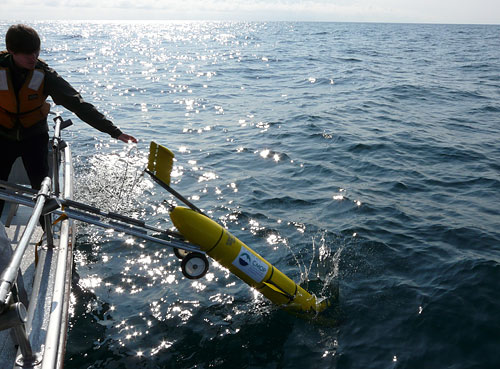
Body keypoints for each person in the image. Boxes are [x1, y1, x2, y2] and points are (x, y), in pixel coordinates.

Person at [0, 24, 137, 213]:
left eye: (36, 52)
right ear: (12, 51)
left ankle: (47, 235)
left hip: (33, 137)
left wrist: (115, 132)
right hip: (2, 136)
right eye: (27, 54)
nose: (34, 58)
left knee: (42, 191)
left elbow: (78, 104)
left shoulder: (45, 75)